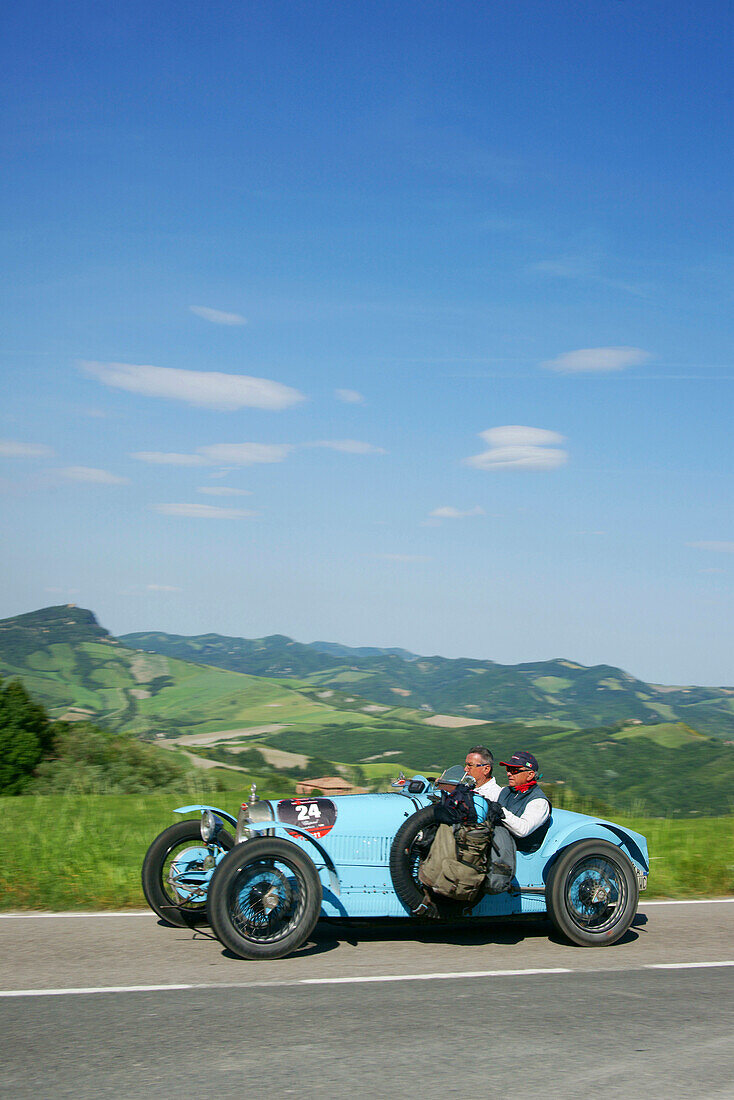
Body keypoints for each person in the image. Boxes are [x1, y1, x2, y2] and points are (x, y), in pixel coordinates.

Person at [495, 750, 551, 850]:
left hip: (518, 852)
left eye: (514, 770)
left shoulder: (539, 801)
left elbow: (523, 830)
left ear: (530, 775)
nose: (509, 774)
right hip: (500, 846)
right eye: (508, 769)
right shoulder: (505, 791)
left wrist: (499, 811)